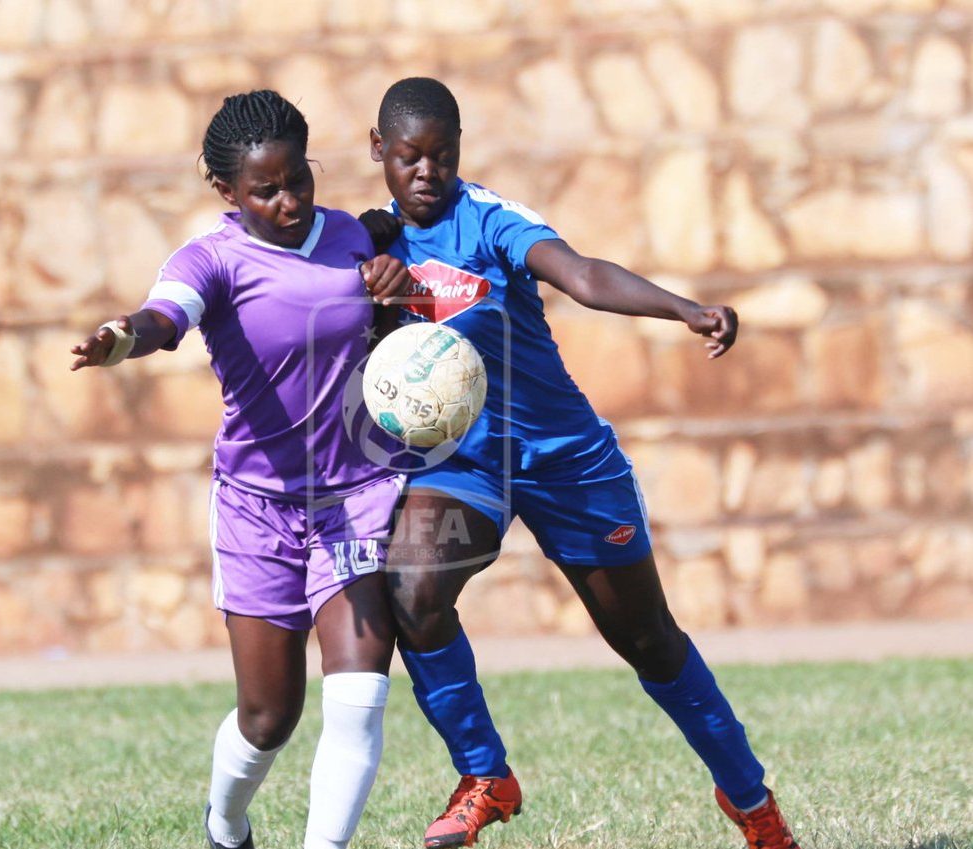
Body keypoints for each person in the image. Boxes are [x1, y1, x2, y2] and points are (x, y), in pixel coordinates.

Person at [362, 77, 801, 849]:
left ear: (460, 151)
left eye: (442, 155)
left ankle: (752, 803)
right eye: (409, 157)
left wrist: (687, 310)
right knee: (412, 586)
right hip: (466, 465)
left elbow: (586, 275)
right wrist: (369, 299)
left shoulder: (491, 220)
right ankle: (484, 774)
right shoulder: (368, 242)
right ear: (379, 152)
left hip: (566, 459)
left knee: (649, 640)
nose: (426, 171)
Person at [71, 90, 411, 849]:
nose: (289, 202)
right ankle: (225, 824)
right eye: (266, 190)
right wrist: (124, 336)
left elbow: (403, 297)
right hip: (258, 509)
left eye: (299, 180)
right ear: (227, 191)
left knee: (359, 694)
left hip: (355, 496)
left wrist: (393, 285)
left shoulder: (352, 236)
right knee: (269, 715)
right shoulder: (211, 259)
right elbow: (166, 316)